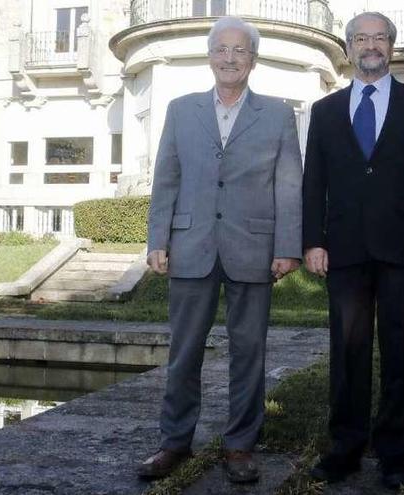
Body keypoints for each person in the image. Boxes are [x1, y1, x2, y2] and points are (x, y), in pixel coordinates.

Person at [136, 16, 303, 484]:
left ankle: (240, 446)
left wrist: (288, 246)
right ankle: (174, 443)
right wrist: (158, 239)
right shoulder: (180, 108)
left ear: (254, 59)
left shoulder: (278, 114)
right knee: (184, 351)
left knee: (249, 351)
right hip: (191, 245)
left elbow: (289, 185)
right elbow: (166, 177)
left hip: (254, 247)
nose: (230, 58)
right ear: (210, 56)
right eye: (221, 49)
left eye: (240, 50)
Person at [302, 11, 404, 491]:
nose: (370, 45)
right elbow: (312, 183)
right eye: (361, 38)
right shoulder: (324, 112)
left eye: (379, 37)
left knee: (403, 351)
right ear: (348, 48)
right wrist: (312, 240)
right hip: (342, 249)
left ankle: (395, 455)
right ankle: (344, 448)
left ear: (392, 45)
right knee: (347, 352)